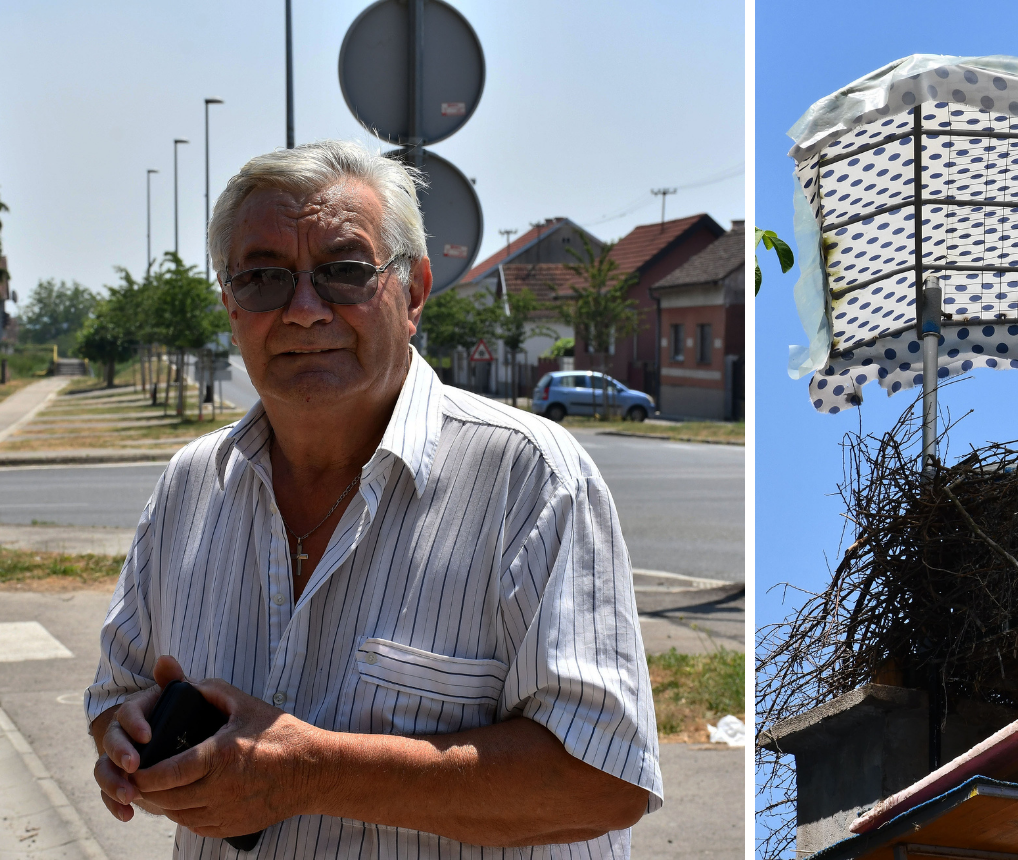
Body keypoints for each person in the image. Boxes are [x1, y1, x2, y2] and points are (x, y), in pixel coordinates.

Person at [84, 140, 661, 858]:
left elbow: (605, 781)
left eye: (344, 273)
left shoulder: (530, 478)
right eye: (262, 277)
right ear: (230, 302)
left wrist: (312, 773)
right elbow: (115, 691)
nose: (302, 310)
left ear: (414, 291)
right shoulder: (191, 484)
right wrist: (127, 735)